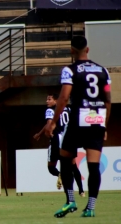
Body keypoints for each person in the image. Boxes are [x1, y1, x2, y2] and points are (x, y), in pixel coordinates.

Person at [44, 36, 111, 218]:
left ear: (72, 51)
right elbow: (108, 100)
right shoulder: (103, 71)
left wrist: (54, 121)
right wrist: (104, 126)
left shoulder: (70, 70)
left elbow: (64, 98)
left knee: (65, 159)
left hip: (79, 118)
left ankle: (70, 201)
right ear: (87, 50)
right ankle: (90, 207)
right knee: (94, 166)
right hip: (97, 119)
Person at [34, 93, 84, 196]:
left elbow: (49, 123)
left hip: (57, 140)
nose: (47, 101)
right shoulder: (68, 109)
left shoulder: (51, 110)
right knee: (73, 166)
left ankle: (60, 176)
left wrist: (46, 133)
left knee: (51, 167)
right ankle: (81, 191)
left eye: (49, 99)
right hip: (69, 140)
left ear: (56, 101)